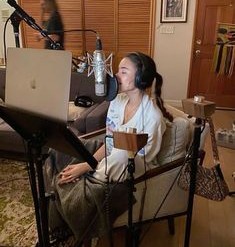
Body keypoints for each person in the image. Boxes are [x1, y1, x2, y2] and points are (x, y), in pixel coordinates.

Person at [44, 52, 173, 243]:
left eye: (123, 71)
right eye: (117, 70)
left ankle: (80, 181)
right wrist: (90, 161)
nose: (116, 76)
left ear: (140, 77)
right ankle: (76, 181)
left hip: (136, 165)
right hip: (112, 158)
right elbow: (110, 143)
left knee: (122, 154)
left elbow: (138, 157)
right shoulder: (117, 101)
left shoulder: (152, 117)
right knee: (62, 148)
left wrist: (85, 167)